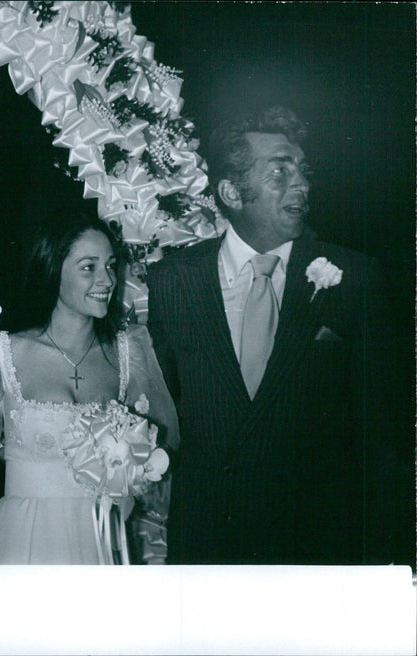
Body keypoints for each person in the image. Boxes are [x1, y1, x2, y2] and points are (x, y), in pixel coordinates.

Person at [147, 106, 413, 565]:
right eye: (280, 172)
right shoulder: (173, 281)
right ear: (231, 191)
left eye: (303, 172)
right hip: (209, 548)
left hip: (316, 550)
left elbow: (382, 433)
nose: (303, 185)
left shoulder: (356, 278)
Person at [0, 211, 179, 564]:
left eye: (110, 265)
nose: (107, 279)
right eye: (89, 267)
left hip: (101, 539)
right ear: (52, 268)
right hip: (25, 538)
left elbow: (166, 441)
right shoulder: (4, 352)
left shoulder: (129, 351)